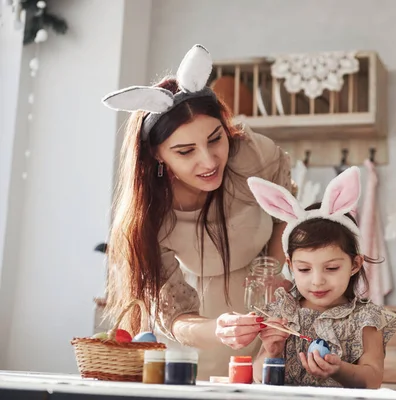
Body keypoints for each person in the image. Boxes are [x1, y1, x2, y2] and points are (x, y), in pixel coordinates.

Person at [101, 44, 292, 379]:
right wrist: (219, 330)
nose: (208, 161)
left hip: (275, 325)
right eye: (185, 151)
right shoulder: (152, 216)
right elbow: (175, 315)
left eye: (215, 139)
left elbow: (284, 217)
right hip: (204, 339)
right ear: (157, 155)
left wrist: (274, 276)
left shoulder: (253, 156)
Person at [247, 166, 396, 388]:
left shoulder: (366, 319)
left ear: (355, 264)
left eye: (331, 268)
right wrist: (273, 352)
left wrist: (339, 370)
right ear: (290, 265)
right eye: (304, 270)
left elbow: (373, 378)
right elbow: (259, 377)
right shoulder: (283, 311)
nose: (317, 281)